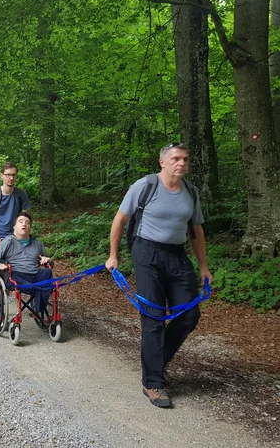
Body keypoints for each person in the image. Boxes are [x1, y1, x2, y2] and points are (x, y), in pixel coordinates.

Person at [105, 143, 212, 409]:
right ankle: (153, 382)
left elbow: (196, 231)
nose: (182, 163)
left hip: (176, 255)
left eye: (185, 159)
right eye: (176, 158)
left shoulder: (191, 192)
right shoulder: (145, 186)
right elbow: (120, 220)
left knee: (189, 314)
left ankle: (154, 359)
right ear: (162, 162)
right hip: (146, 252)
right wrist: (113, 255)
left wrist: (203, 267)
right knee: (153, 317)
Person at [0, 212, 52, 313]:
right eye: (20, 222)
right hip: (17, 275)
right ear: (14, 227)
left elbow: (49, 264)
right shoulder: (8, 242)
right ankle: (37, 290)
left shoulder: (37, 243)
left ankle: (38, 309)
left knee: (47, 273)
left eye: (27, 223)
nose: (24, 224)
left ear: (30, 228)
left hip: (35, 275)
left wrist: (47, 260)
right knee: (12, 275)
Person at [0, 161, 30, 259]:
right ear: (2, 176)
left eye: (13, 175)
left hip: (15, 240)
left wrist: (24, 236)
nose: (11, 178)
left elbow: (24, 219)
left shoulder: (21, 195)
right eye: (8, 175)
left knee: (15, 271)